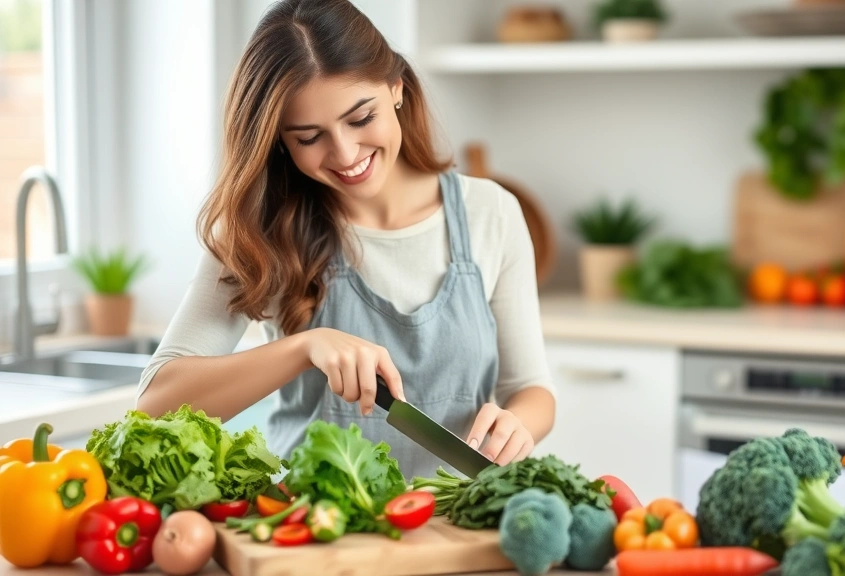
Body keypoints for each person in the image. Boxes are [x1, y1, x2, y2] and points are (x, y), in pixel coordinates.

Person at [135, 0, 555, 479]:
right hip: (316, 533)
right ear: (280, 141)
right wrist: (304, 347)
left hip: (457, 529)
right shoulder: (260, 230)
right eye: (309, 137)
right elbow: (154, 404)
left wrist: (518, 423)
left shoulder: (491, 211)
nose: (346, 153)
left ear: (396, 89)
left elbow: (532, 389)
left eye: (360, 119)